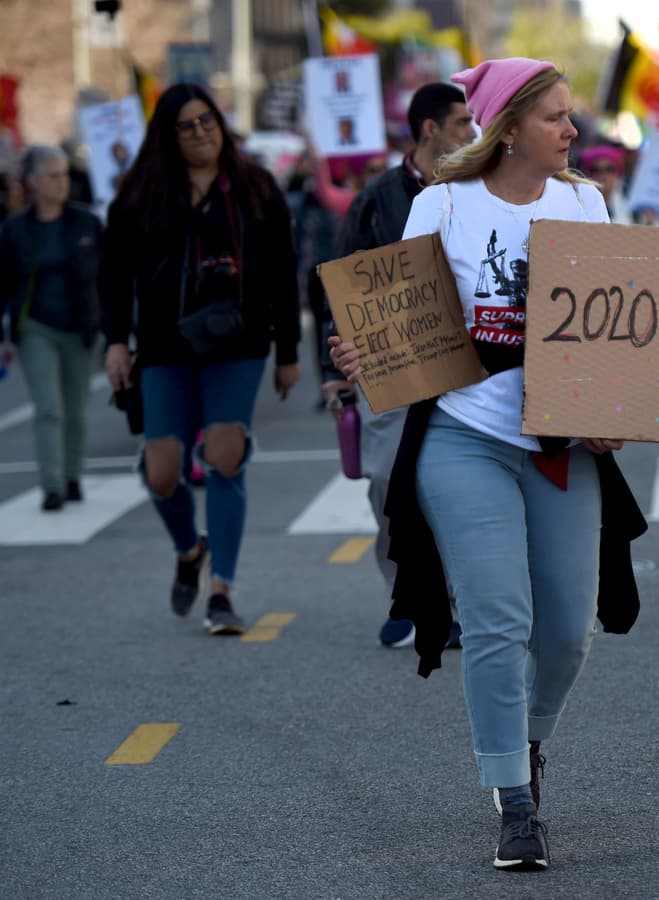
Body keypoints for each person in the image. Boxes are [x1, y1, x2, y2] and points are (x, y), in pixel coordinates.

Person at [329, 59, 646, 872]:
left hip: (560, 446)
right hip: (464, 438)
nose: (574, 133)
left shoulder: (587, 203)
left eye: (571, 118)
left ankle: (528, 744)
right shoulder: (441, 203)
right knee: (498, 618)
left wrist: (612, 414)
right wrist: (366, 352)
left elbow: (611, 332)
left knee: (569, 632)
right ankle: (513, 799)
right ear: (508, 129)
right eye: (555, 119)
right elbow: (404, 323)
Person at [99, 84, 301, 635]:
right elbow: (114, 275)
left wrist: (289, 351)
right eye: (186, 126)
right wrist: (116, 340)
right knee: (162, 471)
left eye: (207, 120)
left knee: (224, 454)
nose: (200, 133)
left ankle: (222, 591)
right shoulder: (141, 194)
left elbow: (284, 271)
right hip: (164, 345)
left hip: (238, 342)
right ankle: (190, 550)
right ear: (168, 135)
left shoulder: (255, 188)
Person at [319, 81, 476, 650]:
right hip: (387, 362)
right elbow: (337, 281)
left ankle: (455, 603)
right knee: (388, 485)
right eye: (461, 122)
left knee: (454, 485)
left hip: (462, 361)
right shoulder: (380, 196)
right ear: (429, 129)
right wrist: (333, 365)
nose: (472, 132)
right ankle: (405, 597)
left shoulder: (479, 188)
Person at [0, 145, 104, 510]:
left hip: (81, 327)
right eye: (53, 176)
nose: (62, 183)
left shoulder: (86, 222)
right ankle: (52, 484)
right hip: (35, 328)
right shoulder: (15, 229)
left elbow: (108, 278)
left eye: (65, 175)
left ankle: (73, 476)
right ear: (33, 182)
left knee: (75, 408)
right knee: (48, 407)